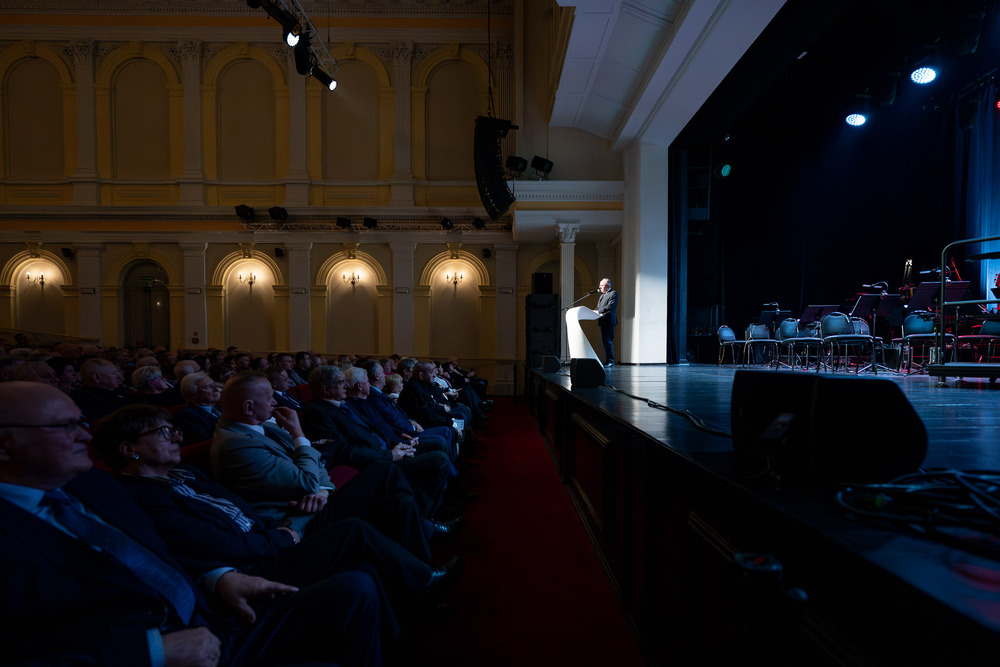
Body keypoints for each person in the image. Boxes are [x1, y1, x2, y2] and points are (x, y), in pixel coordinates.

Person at [0, 381, 385, 666]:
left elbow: (157, 553)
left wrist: (215, 577)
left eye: (80, 422)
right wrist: (151, 652)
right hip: (152, 649)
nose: (84, 434)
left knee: (356, 586)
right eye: (63, 426)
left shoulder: (92, 486)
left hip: (216, 609)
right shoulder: (123, 488)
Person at [90, 404, 463, 611]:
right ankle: (424, 565)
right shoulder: (140, 496)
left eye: (174, 430)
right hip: (262, 557)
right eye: (164, 433)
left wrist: (289, 515)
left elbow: (239, 510)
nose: (177, 437)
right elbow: (209, 542)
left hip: (277, 526)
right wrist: (282, 534)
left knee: (395, 499)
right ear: (129, 449)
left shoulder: (183, 473)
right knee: (364, 513)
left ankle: (421, 565)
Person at [210, 371, 458, 563]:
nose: (275, 400)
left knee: (399, 501)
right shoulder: (236, 445)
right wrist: (297, 433)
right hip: (298, 519)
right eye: (269, 397)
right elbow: (309, 475)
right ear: (249, 407)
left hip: (318, 497)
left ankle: (422, 564)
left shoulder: (266, 427)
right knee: (386, 471)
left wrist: (323, 488)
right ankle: (427, 531)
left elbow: (317, 460)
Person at [299, 366, 452, 518]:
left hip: (387, 449)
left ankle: (435, 508)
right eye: (341, 382)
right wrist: (390, 455)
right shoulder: (317, 413)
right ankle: (433, 513)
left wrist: (395, 442)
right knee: (439, 458)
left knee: (437, 450)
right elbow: (343, 450)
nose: (346, 386)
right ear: (326, 390)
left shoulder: (341, 405)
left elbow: (374, 429)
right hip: (376, 461)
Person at [172, 371, 222, 445]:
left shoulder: (221, 407)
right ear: (193, 395)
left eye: (214, 385)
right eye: (208, 387)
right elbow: (205, 444)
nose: (216, 389)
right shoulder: (187, 416)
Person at [594, 277, 619, 368]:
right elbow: (598, 307)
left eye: (601, 285)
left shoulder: (613, 294)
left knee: (608, 341)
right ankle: (608, 360)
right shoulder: (602, 296)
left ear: (607, 286)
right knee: (605, 342)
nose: (599, 287)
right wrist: (594, 311)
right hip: (603, 321)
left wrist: (598, 311)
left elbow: (610, 307)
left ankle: (610, 361)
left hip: (609, 321)